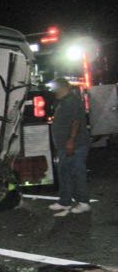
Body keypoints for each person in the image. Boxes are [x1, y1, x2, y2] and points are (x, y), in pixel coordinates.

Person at [48, 78, 91, 216]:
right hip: (64, 145)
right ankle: (65, 201)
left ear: (63, 87)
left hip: (75, 145)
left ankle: (83, 202)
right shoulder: (62, 102)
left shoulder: (72, 101)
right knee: (64, 172)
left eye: (55, 87)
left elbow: (76, 122)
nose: (53, 90)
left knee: (77, 173)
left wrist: (71, 140)